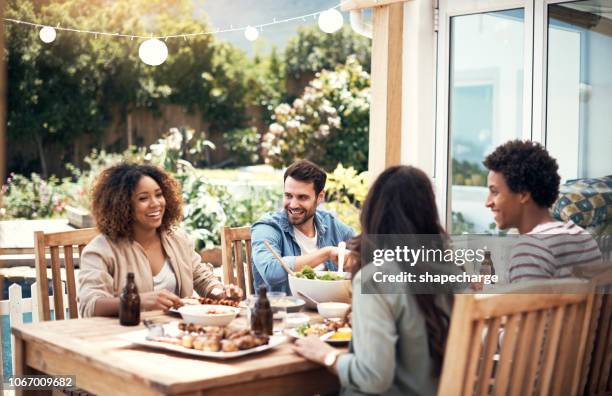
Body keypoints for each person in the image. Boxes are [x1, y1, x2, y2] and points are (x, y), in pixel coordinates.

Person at [293, 166, 453, 396]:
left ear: (374, 212)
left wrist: (326, 355)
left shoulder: (376, 279)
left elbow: (373, 377)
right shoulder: (452, 271)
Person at [78, 163, 242, 318]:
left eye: (159, 195)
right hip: (124, 336)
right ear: (122, 205)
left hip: (178, 333)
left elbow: (202, 278)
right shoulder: (101, 249)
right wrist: (139, 301)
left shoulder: (177, 238)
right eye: (143, 198)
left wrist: (220, 293)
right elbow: (89, 306)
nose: (155, 203)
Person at [484, 140, 602, 283]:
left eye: (494, 192)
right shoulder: (583, 237)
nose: (487, 203)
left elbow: (526, 305)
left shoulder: (529, 250)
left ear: (523, 194)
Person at [251, 160, 354, 294]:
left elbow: (370, 251)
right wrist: (326, 253)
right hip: (284, 312)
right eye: (288, 196)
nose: (293, 204)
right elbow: (271, 271)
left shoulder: (331, 224)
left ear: (320, 197)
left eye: (302, 197)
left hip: (329, 310)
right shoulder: (267, 227)